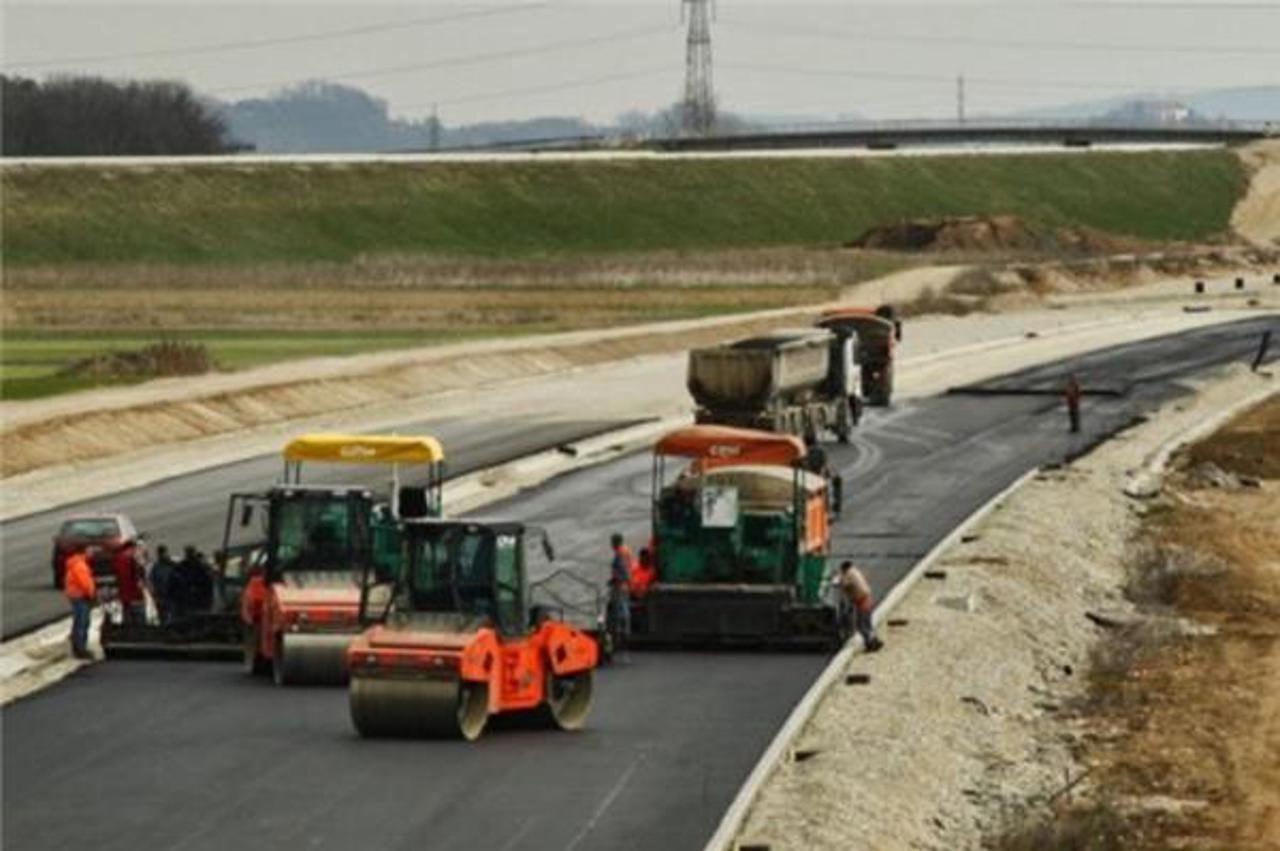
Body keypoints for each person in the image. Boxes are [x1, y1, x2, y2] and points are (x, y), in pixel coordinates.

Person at [837, 561, 882, 652]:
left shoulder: (849, 574)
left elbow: (844, 584)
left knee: (861, 625)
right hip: (867, 600)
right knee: (867, 624)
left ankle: (871, 643)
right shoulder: (855, 571)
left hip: (862, 602)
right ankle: (873, 640)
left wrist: (840, 577)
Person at [64, 544, 97, 659]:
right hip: (80, 597)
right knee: (82, 622)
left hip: (76, 596)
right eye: (90, 550)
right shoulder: (80, 565)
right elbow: (85, 583)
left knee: (78, 621)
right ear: (83, 552)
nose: (92, 553)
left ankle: (77, 646)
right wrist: (92, 595)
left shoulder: (76, 563)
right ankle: (80, 648)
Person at [112, 540, 146, 625]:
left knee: (127, 620)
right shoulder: (129, 560)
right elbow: (136, 578)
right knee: (138, 621)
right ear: (130, 549)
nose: (134, 552)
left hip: (125, 596)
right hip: (134, 596)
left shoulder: (118, 560)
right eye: (134, 549)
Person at [608, 533, 635, 641]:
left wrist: (615, 580)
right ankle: (625, 630)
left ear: (616, 542)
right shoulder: (626, 550)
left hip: (620, 585)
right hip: (625, 585)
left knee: (621, 608)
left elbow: (624, 571)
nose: (611, 544)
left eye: (612, 542)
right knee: (624, 607)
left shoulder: (619, 553)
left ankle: (622, 632)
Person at [149, 545, 178, 624]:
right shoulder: (156, 567)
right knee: (164, 617)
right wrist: (154, 594)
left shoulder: (171, 565)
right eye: (161, 554)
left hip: (170, 595)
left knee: (171, 616)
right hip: (162, 595)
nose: (163, 555)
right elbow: (151, 581)